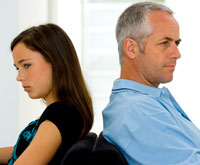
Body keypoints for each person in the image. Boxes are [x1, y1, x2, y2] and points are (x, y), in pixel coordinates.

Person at [102, 1, 200, 164]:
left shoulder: (148, 100)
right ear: (131, 48)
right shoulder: (138, 112)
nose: (177, 54)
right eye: (164, 43)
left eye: (177, 43)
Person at [0, 23, 94, 164]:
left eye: (26, 65)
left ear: (55, 61)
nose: (19, 77)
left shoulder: (60, 114)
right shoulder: (61, 111)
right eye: (17, 68)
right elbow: (22, 150)